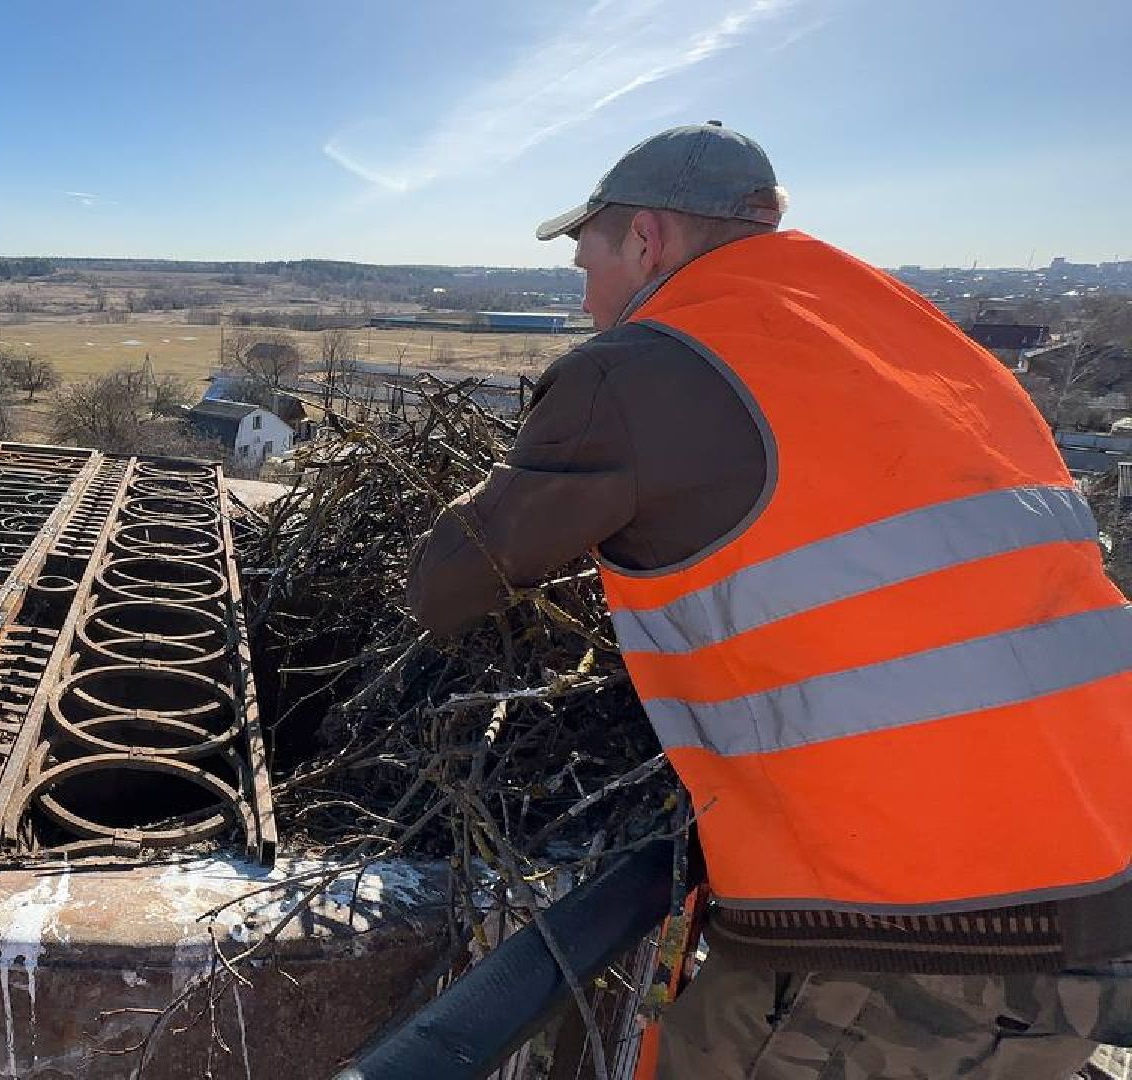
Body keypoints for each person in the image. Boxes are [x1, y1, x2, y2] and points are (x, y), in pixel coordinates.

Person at [405, 124, 1132, 1077]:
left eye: (588, 264)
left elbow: (444, 586)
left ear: (648, 242)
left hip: (915, 921)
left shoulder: (644, 365)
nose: (585, 299)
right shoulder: (930, 352)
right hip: (1087, 869)